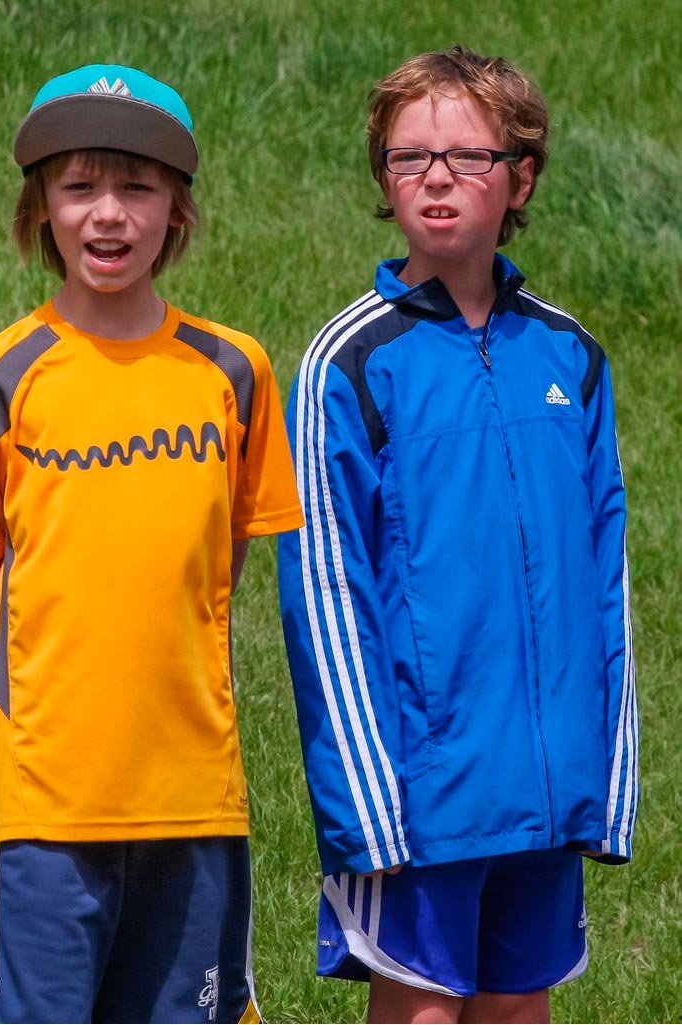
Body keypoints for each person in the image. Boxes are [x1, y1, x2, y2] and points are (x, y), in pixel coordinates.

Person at [0, 63, 303, 1024]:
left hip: (193, 790)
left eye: (138, 186)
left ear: (178, 210)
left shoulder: (234, 370)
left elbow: (219, 565)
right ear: (40, 206)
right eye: (79, 186)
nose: (108, 214)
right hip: (42, 792)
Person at [277, 45, 638, 1024]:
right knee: (424, 1009)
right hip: (418, 784)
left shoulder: (569, 355)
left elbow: (602, 578)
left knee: (519, 1007)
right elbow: (324, 596)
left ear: (518, 178)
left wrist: (600, 769)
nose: (434, 177)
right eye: (406, 157)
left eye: (466, 157)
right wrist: (365, 797)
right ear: (382, 179)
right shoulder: (345, 363)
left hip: (544, 778)